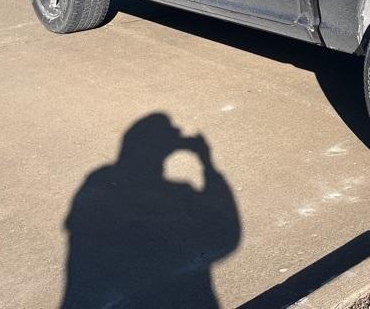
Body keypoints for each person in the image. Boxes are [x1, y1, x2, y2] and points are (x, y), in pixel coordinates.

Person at [60, 113, 241, 308]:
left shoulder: (100, 180)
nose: (179, 132)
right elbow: (226, 237)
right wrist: (207, 163)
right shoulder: (176, 197)